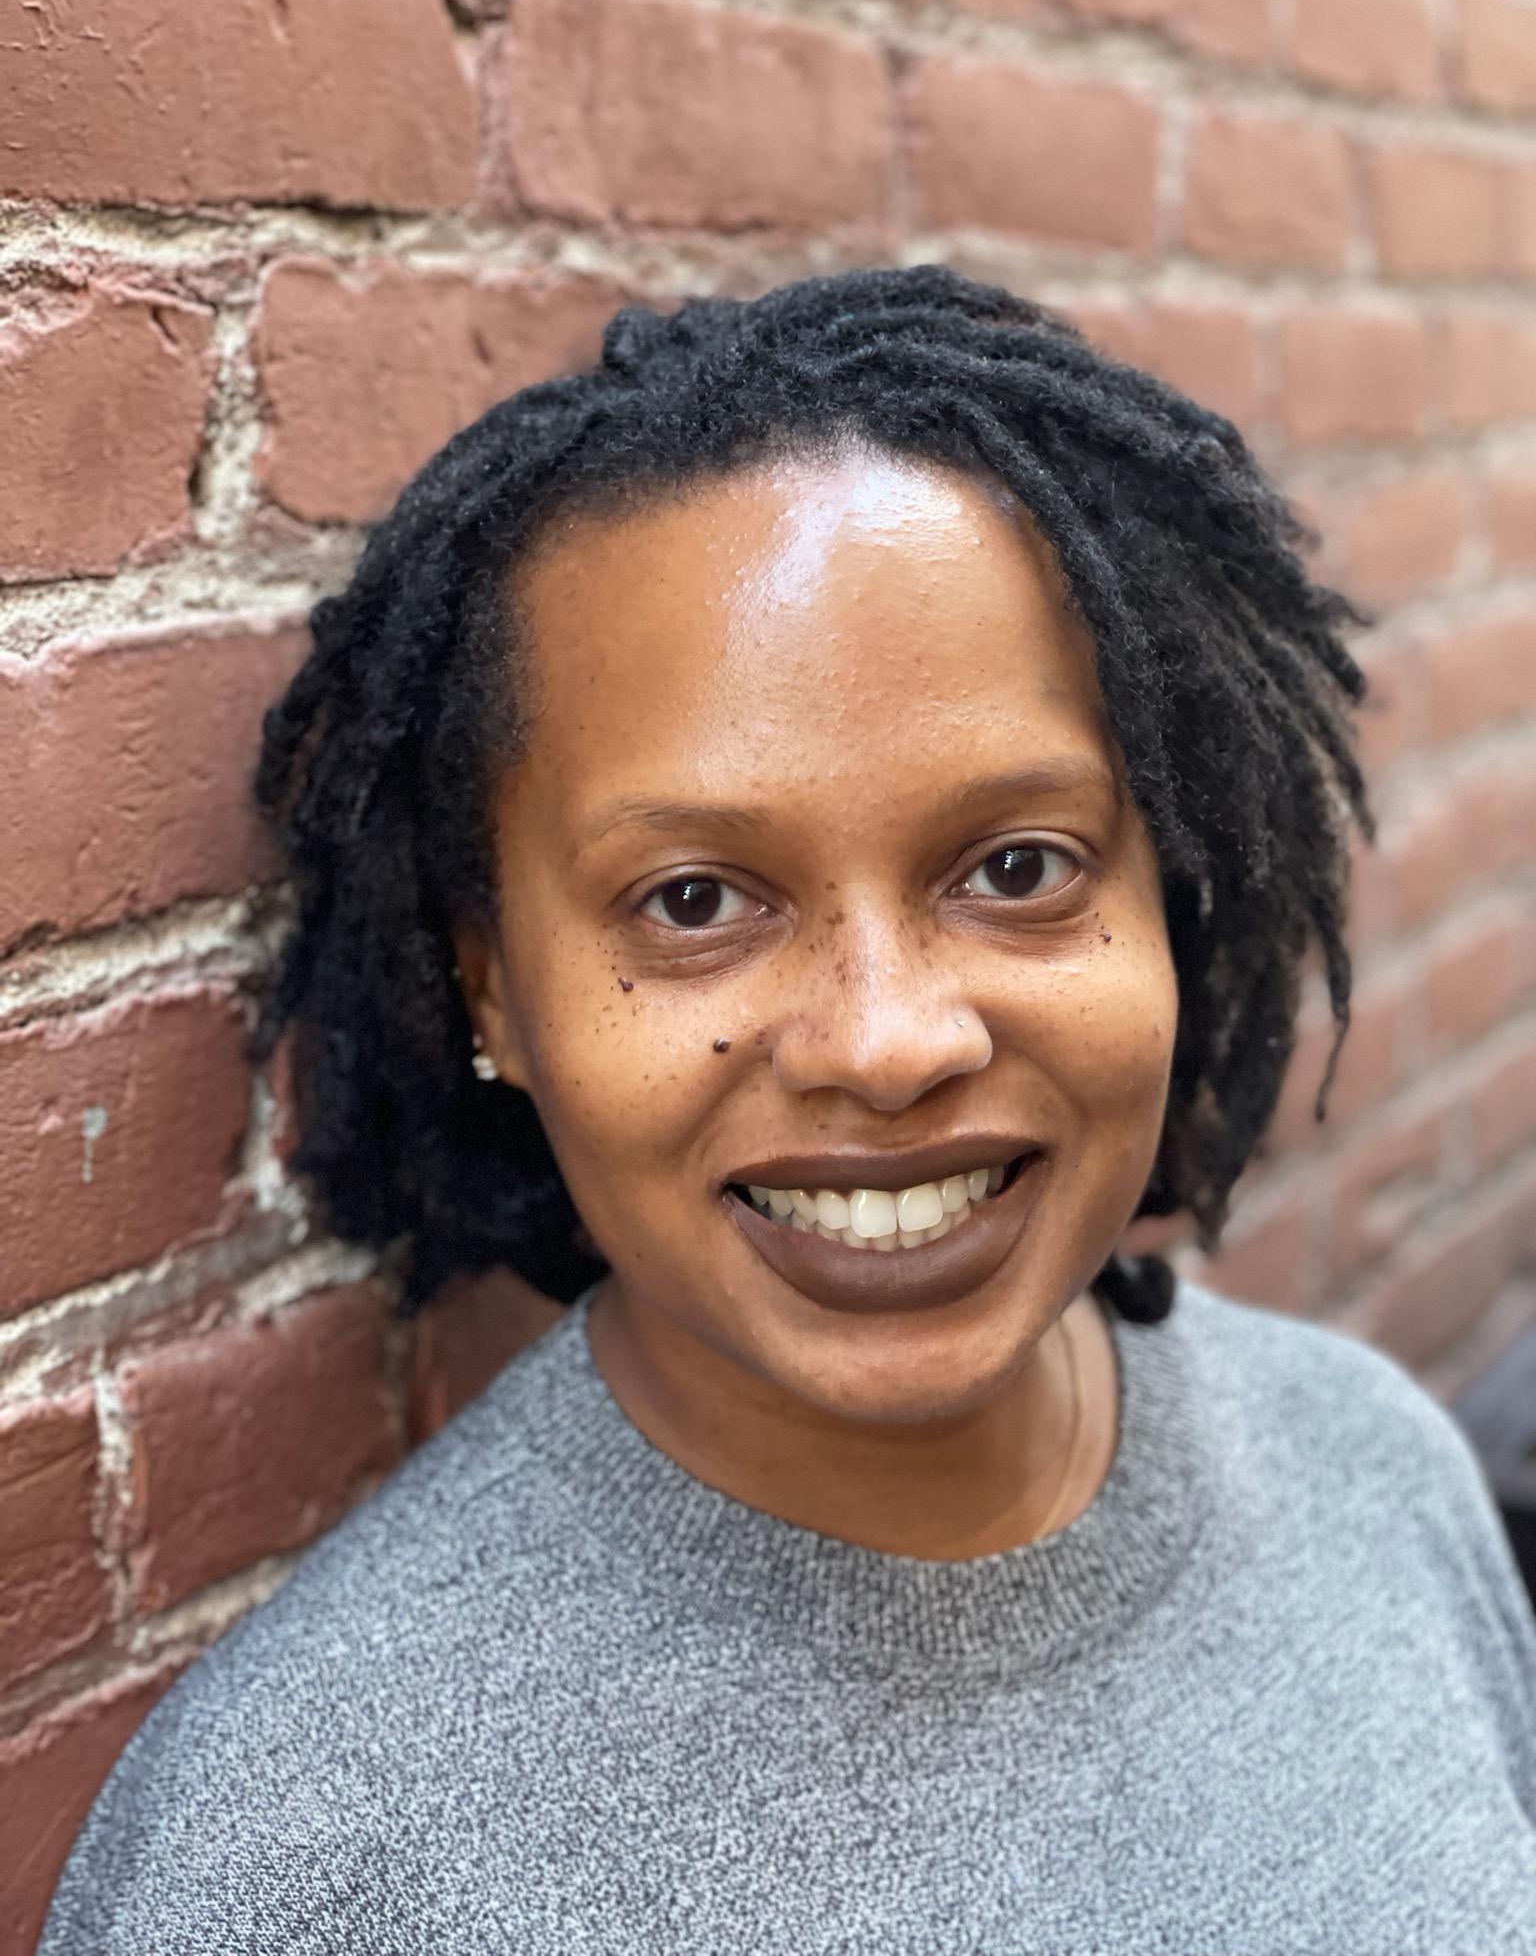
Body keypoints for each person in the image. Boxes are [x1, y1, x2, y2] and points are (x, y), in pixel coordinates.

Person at [41, 266, 1536, 1952]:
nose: (887, 1045)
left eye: (1018, 867)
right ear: (493, 992)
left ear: (1168, 900)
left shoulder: (1373, 1466)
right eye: (693, 901)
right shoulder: (298, 1859)